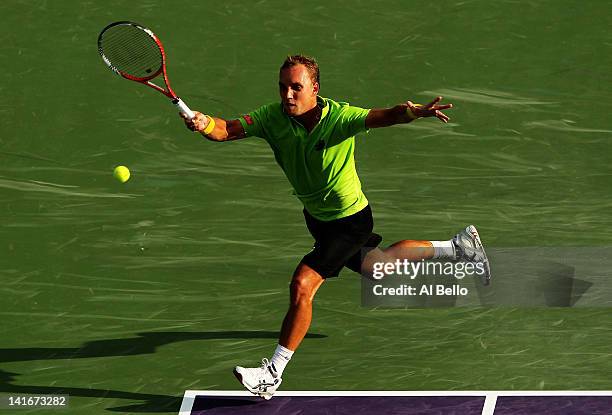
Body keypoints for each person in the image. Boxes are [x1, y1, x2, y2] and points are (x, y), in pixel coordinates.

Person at [182, 55, 490, 400]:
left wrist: (411, 112)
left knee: (303, 284)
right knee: (381, 268)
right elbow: (226, 129)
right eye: (283, 87)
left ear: (314, 88)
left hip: (350, 221)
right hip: (317, 219)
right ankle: (459, 246)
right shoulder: (272, 118)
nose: (288, 95)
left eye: (296, 87)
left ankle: (272, 372)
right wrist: (203, 121)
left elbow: (384, 116)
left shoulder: (340, 117)